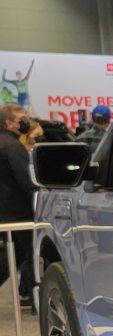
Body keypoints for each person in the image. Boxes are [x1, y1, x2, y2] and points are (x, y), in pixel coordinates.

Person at [0, 104, 36, 306]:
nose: (26, 122)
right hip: (18, 213)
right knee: (24, 255)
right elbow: (26, 180)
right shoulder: (12, 146)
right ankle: (33, 295)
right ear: (9, 123)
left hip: (7, 212)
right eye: (22, 119)